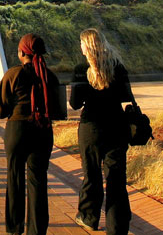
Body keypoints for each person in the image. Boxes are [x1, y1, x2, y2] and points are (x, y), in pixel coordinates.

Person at [69, 28, 134, 235]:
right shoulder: (118, 67)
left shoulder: (81, 70)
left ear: (87, 46)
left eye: (81, 43)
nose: (80, 47)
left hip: (91, 128)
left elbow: (75, 103)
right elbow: (126, 96)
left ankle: (89, 216)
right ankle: (117, 227)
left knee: (92, 175)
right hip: (116, 125)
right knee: (116, 179)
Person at [0, 33, 61, 235]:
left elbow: (0, 110)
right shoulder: (50, 76)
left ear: (22, 52)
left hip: (17, 129)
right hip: (42, 130)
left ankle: (15, 228)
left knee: (14, 178)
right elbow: (58, 110)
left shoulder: (13, 74)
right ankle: (37, 229)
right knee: (38, 180)